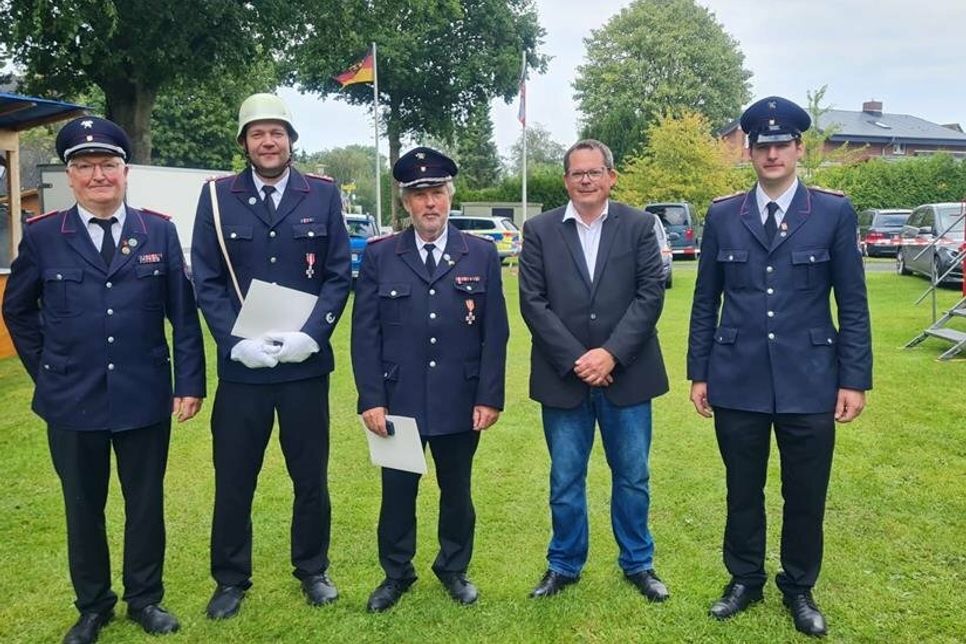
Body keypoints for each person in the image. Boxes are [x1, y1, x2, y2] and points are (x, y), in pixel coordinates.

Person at [2, 116, 206, 644]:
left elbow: (183, 316)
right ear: (69, 176)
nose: (98, 175)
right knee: (82, 507)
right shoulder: (46, 235)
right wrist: (47, 370)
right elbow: (19, 310)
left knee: (145, 505)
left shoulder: (156, 230)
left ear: (125, 171)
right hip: (72, 400)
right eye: (85, 166)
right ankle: (92, 606)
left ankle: (145, 599)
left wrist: (189, 382)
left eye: (107, 165)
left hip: (143, 395)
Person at [687, 96, 872, 637]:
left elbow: (853, 304)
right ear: (749, 152)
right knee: (742, 487)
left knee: (805, 490)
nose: (771, 154)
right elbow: (705, 301)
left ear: (798, 149)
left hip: (811, 379)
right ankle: (744, 579)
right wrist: (700, 372)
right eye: (762, 146)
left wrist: (854, 380)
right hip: (738, 376)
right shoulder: (724, 215)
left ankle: (799, 586)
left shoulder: (833, 211)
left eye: (781, 145)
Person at [190, 93, 351, 619]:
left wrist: (314, 335)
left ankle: (313, 569)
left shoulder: (322, 194)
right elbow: (208, 280)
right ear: (243, 142)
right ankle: (231, 578)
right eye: (257, 133)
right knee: (234, 477)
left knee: (310, 476)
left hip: (304, 367)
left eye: (276, 132)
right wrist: (234, 343)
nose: (268, 141)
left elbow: (336, 274)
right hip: (244, 370)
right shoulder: (217, 197)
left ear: (291, 140)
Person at [351, 147, 509, 612]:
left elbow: (494, 333)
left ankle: (453, 567)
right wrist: (371, 398)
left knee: (456, 490)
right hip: (398, 398)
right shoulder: (383, 255)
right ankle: (396, 573)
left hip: (460, 398)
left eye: (437, 192)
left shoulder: (478, 252)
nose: (430, 203)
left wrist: (490, 396)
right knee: (398, 491)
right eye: (419, 195)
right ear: (405, 203)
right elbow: (365, 334)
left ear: (450, 196)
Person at [518, 139, 670, 602]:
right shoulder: (539, 230)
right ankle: (563, 564)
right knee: (565, 480)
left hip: (628, 374)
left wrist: (610, 354)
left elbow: (651, 294)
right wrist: (578, 360)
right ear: (565, 180)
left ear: (611, 177)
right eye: (576, 173)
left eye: (594, 171)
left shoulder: (641, 226)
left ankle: (638, 563)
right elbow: (533, 302)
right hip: (563, 378)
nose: (585, 180)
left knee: (633, 477)